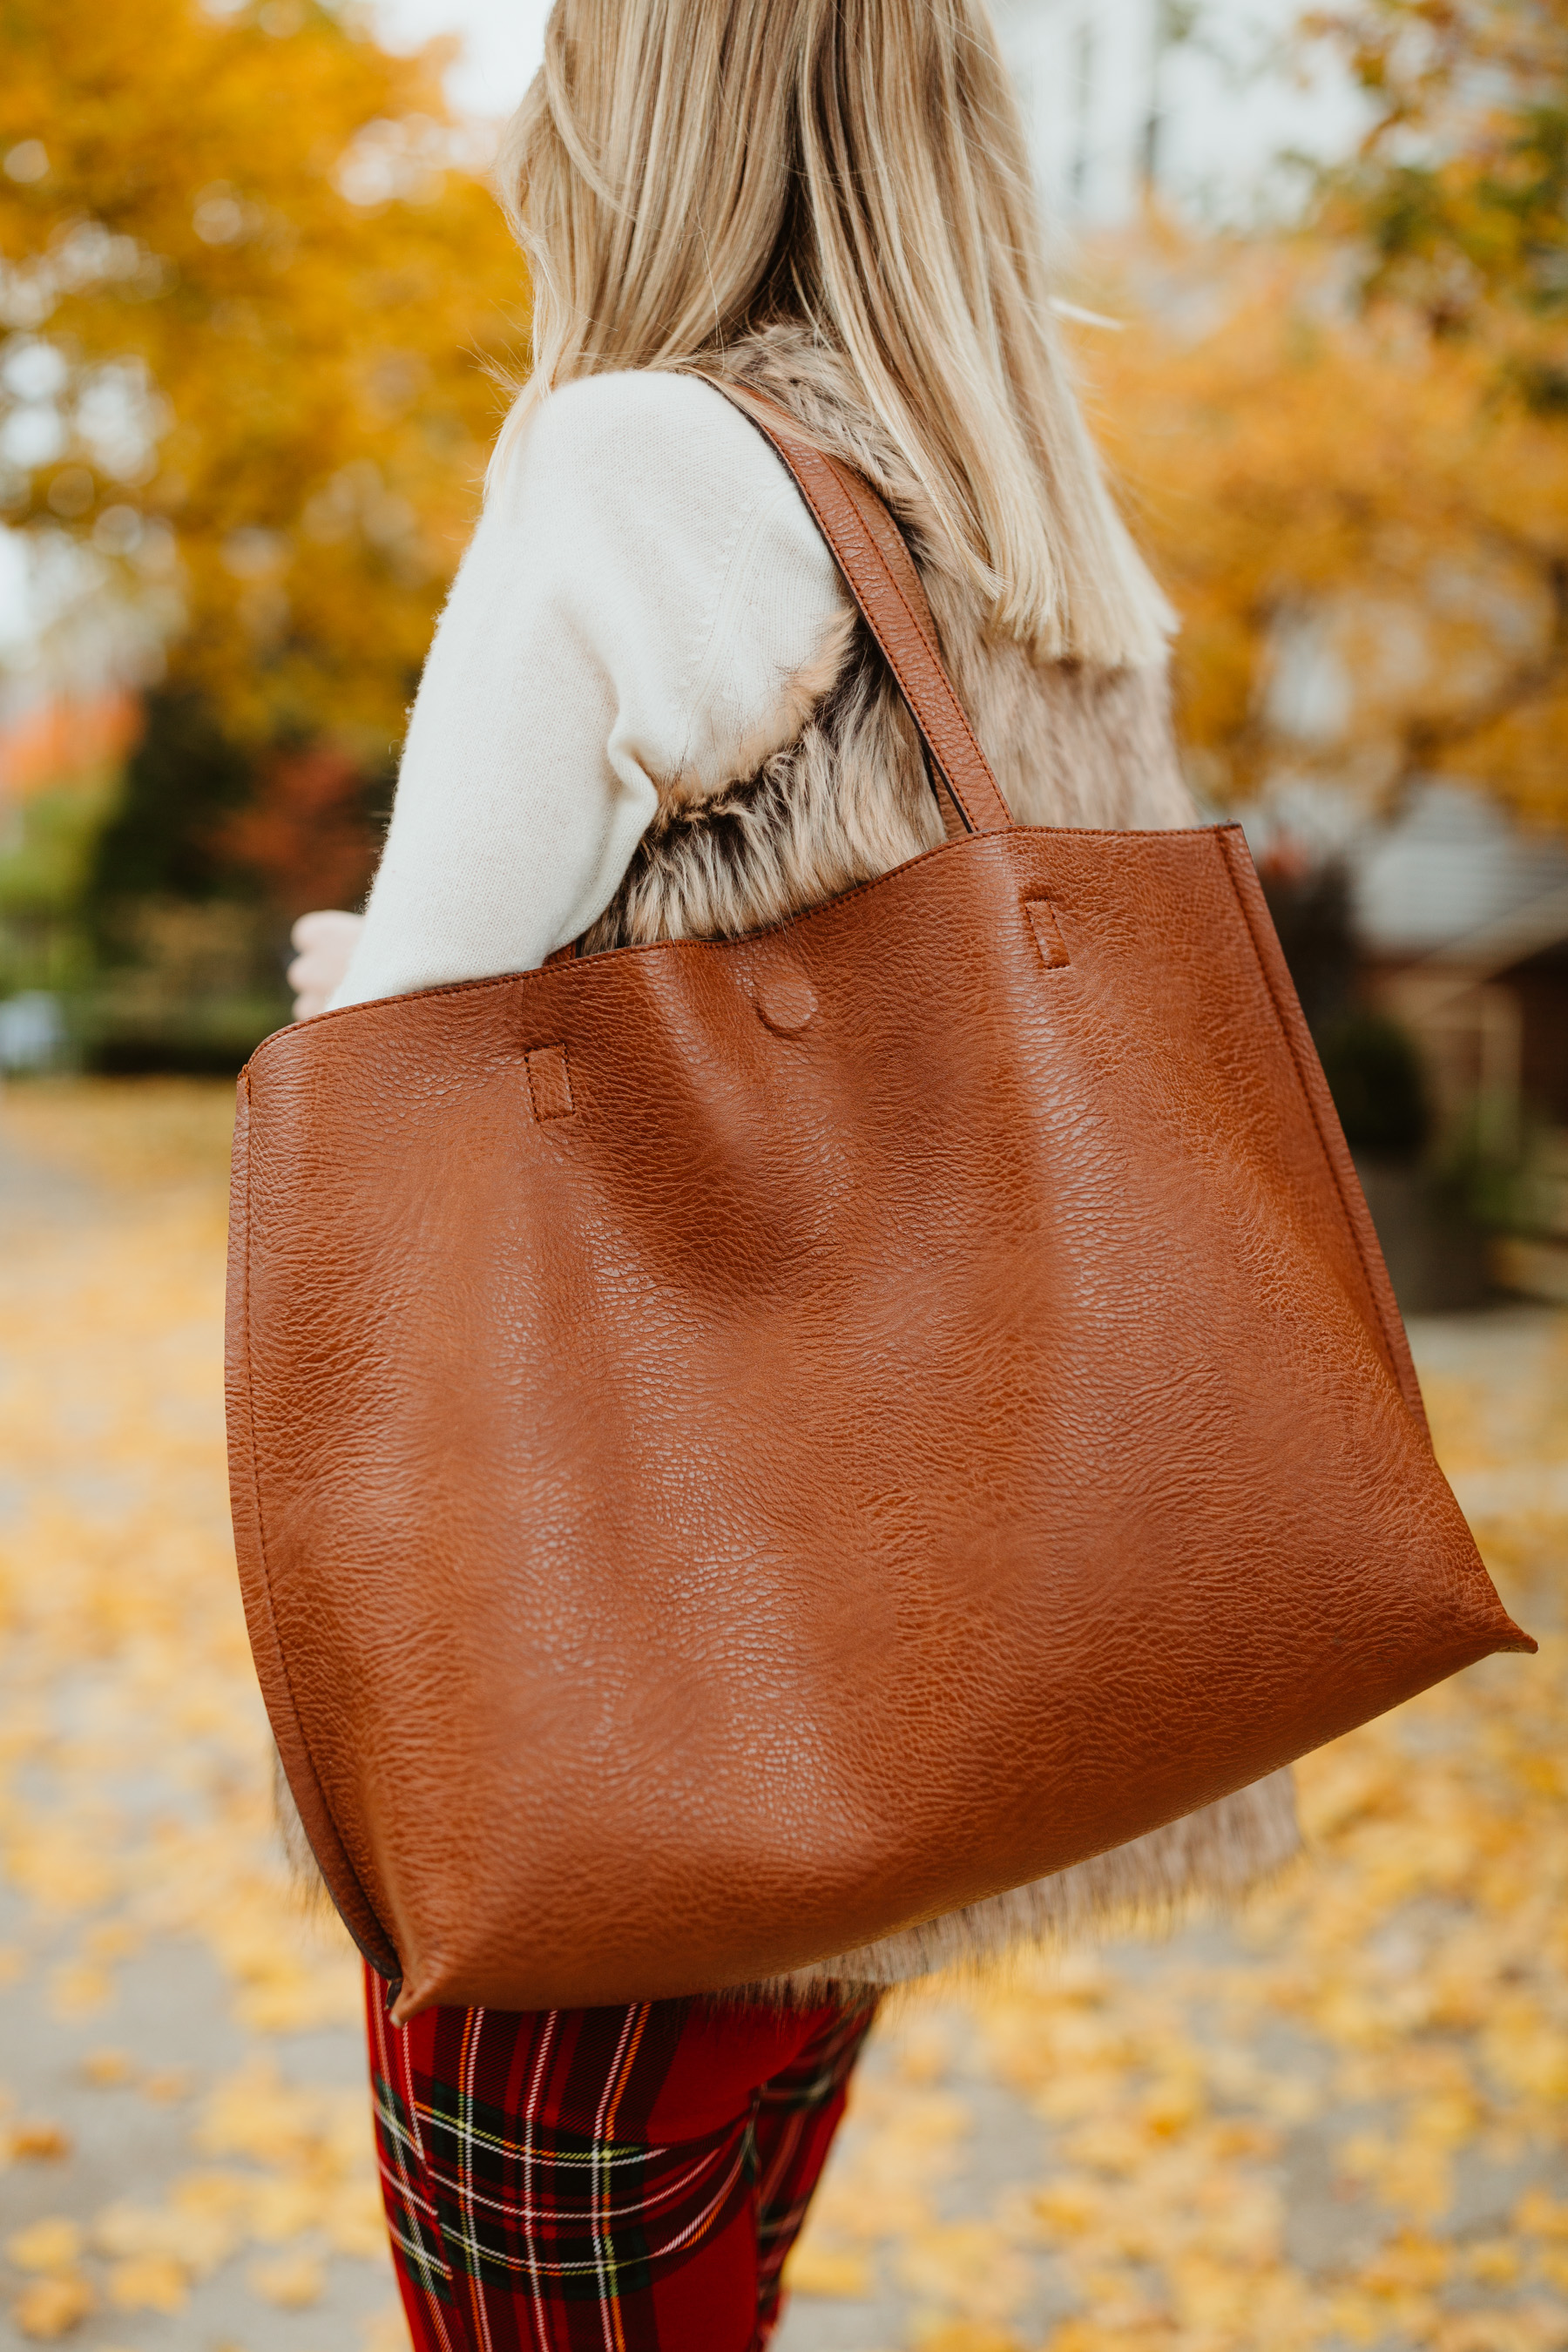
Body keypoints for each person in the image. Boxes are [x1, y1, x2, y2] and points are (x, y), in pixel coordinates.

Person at [287, 3, 1300, 2343]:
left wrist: (354, 971)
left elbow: (428, 1032)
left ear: (644, 107)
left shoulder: (648, 455)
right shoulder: (1017, 507)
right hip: (876, 1682)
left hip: (622, 1693)